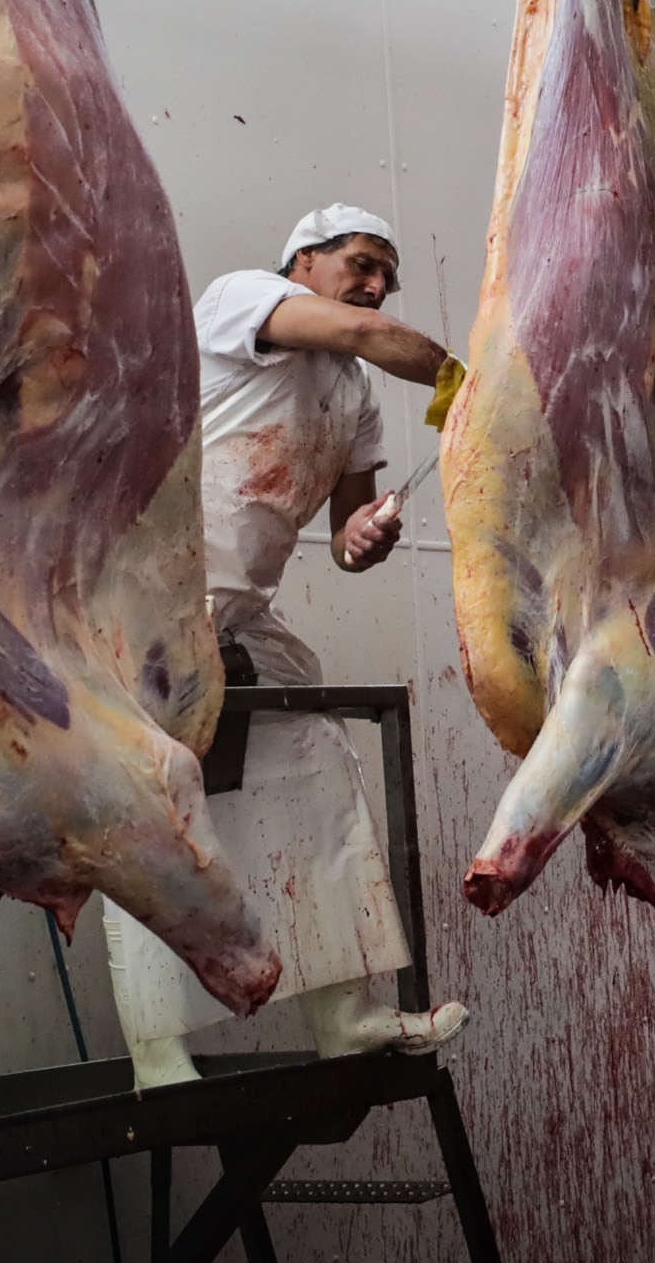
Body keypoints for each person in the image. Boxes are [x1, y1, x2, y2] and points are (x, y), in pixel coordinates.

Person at [103, 204, 472, 1086]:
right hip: (143, 598)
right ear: (303, 261)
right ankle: (158, 1055)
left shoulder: (355, 394)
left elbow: (347, 538)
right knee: (146, 813)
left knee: (312, 750)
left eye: (388, 271)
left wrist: (361, 543)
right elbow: (362, 329)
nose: (377, 282)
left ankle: (345, 1013)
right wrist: (465, 379)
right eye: (360, 261)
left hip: (234, 619)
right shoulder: (246, 301)